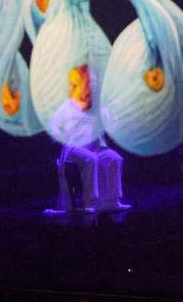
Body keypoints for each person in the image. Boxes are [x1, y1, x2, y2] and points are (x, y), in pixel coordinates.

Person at [47, 64, 127, 212]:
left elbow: (110, 123)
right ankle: (91, 202)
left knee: (114, 158)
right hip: (73, 148)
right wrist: (62, 137)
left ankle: (111, 200)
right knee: (91, 159)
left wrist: (115, 112)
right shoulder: (68, 105)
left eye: (95, 83)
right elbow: (53, 126)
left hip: (94, 147)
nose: (93, 85)